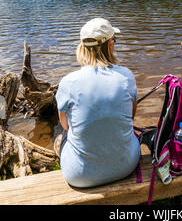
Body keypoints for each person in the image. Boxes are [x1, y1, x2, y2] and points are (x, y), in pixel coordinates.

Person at [54, 17, 141, 188]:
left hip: (79, 176)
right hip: (125, 167)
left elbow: (66, 126)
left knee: (60, 129)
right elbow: (131, 117)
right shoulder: (126, 77)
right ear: (109, 45)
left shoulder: (68, 82)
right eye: (114, 40)